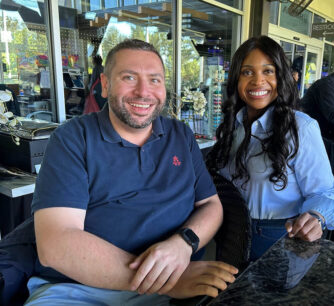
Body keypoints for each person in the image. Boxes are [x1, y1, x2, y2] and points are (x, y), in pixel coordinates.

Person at [25, 39, 237, 305]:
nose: (143, 92)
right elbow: (56, 245)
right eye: (129, 77)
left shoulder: (180, 135)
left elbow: (210, 204)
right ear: (105, 84)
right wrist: (166, 281)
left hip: (177, 284)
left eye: (155, 80)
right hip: (80, 289)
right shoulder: (72, 139)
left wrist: (185, 242)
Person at [206, 36, 334, 262]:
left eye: (268, 71)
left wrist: (315, 217)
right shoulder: (231, 125)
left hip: (275, 239)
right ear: (236, 78)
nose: (258, 81)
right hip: (229, 235)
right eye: (247, 72)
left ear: (281, 77)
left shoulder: (300, 127)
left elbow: (323, 192)